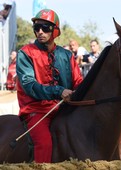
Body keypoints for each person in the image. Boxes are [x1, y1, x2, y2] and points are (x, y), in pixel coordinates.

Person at [16, 9, 83, 163]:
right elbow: (29, 85)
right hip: (36, 110)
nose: (40, 32)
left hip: (65, 108)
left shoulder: (67, 55)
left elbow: (78, 82)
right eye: (37, 28)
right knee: (44, 143)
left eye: (45, 28)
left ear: (55, 31)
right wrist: (59, 91)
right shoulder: (25, 53)